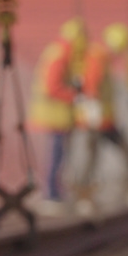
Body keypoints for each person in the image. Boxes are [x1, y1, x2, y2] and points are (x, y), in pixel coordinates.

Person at [76, 22, 128, 202]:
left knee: (104, 152)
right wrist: (92, 114)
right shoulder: (97, 58)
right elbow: (91, 85)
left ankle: (87, 190)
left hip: (104, 119)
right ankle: (83, 191)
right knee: (93, 154)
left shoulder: (102, 58)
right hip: (95, 118)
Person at [29, 18, 88, 211]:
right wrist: (74, 96)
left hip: (59, 114)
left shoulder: (62, 54)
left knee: (60, 154)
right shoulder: (60, 55)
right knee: (56, 154)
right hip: (55, 114)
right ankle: (51, 194)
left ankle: (56, 192)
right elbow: (52, 87)